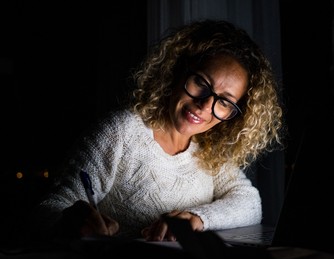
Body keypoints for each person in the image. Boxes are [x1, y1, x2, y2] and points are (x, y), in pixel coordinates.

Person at [30, 19, 284, 242]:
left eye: (225, 102)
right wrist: (70, 222)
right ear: (178, 70)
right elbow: (46, 210)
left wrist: (197, 218)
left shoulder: (209, 148)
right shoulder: (122, 131)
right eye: (201, 83)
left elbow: (250, 204)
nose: (205, 106)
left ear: (232, 114)